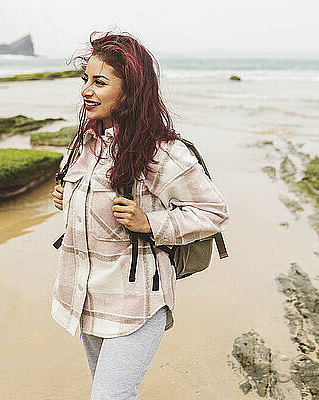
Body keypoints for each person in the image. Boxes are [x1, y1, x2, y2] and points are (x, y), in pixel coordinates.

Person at [51, 31, 229, 399]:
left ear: (130, 92)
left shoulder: (163, 153)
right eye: (85, 79)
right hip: (85, 295)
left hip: (136, 302)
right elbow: (87, 202)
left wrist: (151, 222)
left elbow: (214, 212)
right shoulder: (83, 143)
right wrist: (68, 196)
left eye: (100, 82)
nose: (86, 90)